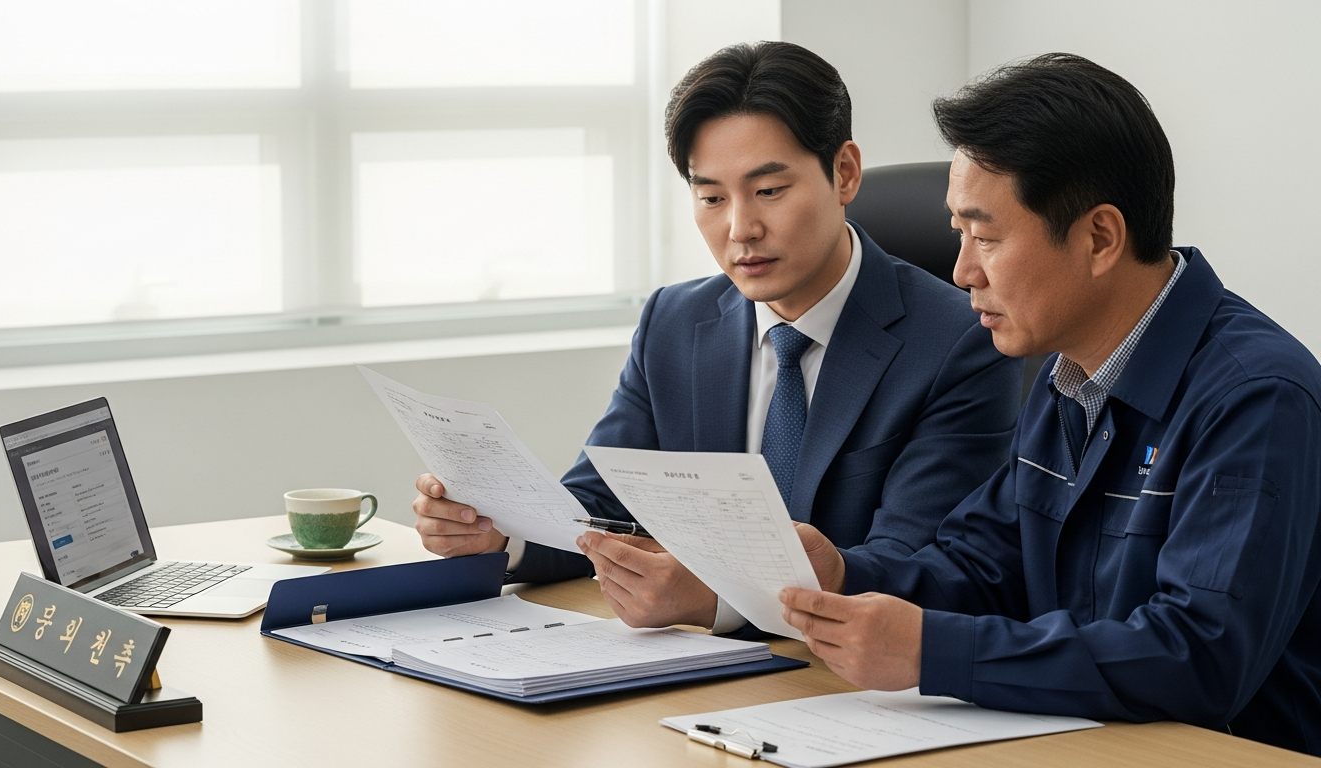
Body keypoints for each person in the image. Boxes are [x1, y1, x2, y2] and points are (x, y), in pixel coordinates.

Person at [778, 53, 1321, 756]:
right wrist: (849, 575)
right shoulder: (1069, 371)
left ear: (1099, 238)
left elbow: (1196, 657)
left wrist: (933, 651)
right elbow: (985, 563)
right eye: (958, 232)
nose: (961, 271)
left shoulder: (1255, 398)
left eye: (987, 237)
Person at [414, 42, 1022, 634]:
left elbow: (921, 566)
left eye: (769, 191)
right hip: (692, 688)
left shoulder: (960, 341)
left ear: (844, 172)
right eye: (710, 197)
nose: (740, 228)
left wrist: (719, 601)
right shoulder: (674, 323)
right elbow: (604, 507)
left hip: (852, 690)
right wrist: (501, 533)